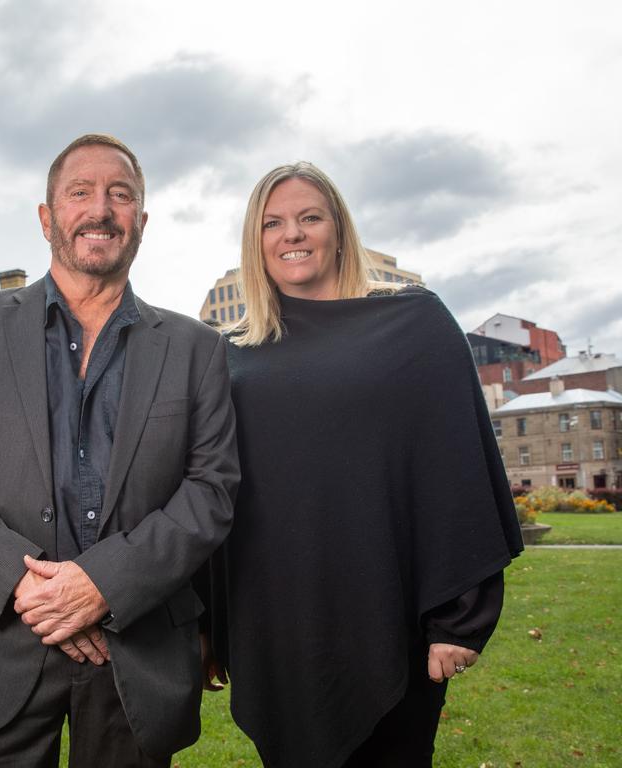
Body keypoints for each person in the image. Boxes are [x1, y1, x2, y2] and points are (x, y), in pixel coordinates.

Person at [0, 134, 240, 767]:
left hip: (132, 654)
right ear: (45, 216)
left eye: (120, 194)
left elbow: (211, 490)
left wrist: (103, 585)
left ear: (141, 220)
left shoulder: (197, 348)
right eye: (79, 192)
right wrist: (22, 584)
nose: (100, 209)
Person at [205, 162, 525, 767]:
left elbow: (457, 468)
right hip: (279, 626)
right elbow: (213, 493)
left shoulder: (414, 323)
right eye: (273, 223)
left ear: (339, 229)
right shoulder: (229, 353)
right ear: (256, 242)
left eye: (308, 218)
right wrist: (208, 625)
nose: (291, 234)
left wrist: (458, 620)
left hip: (387, 612)